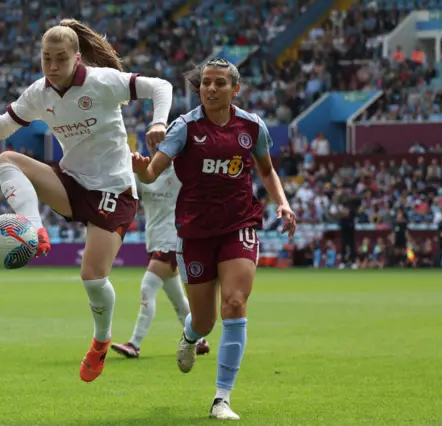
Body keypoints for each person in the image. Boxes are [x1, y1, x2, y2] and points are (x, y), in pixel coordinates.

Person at [0, 19, 173, 383]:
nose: (53, 66)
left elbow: (161, 86)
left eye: (61, 58)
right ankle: (35, 229)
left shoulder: (102, 81)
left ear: (77, 57)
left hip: (114, 191)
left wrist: (158, 122)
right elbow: (0, 130)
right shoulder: (39, 93)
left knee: (92, 276)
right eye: (47, 59)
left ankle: (101, 341)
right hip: (72, 182)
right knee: (5, 160)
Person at [132, 58, 296, 420]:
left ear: (235, 89)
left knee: (235, 304)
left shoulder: (252, 127)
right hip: (194, 232)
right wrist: (140, 167)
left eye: (219, 83)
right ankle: (191, 336)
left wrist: (282, 204)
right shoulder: (185, 127)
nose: (210, 89)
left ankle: (222, 398)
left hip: (239, 224)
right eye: (206, 82)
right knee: (204, 321)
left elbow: (267, 171)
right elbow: (151, 173)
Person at [111, 163, 210, 358]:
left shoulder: (180, 171)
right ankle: (200, 340)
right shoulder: (143, 174)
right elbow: (126, 193)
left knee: (147, 288)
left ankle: (134, 344)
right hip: (154, 241)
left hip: (173, 241)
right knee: (178, 301)